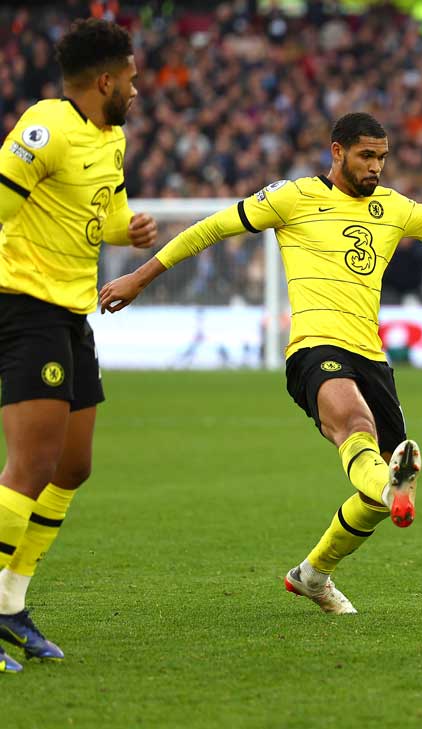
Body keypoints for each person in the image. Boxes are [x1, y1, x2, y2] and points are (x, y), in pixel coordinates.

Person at [98, 113, 422, 615]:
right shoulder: (293, 197)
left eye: (382, 157)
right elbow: (211, 228)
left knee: (376, 497)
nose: (376, 167)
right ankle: (389, 483)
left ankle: (314, 573)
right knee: (356, 426)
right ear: (337, 152)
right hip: (315, 350)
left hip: (371, 359)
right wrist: (140, 277)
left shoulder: (393, 207)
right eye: (366, 156)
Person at [0, 19, 158, 674]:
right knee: (30, 466)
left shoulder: (109, 136)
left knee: (72, 467)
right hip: (24, 307)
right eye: (131, 78)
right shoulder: (46, 125)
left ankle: (9, 602)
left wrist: (132, 228)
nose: (138, 89)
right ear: (105, 80)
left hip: (71, 311)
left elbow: (107, 212)